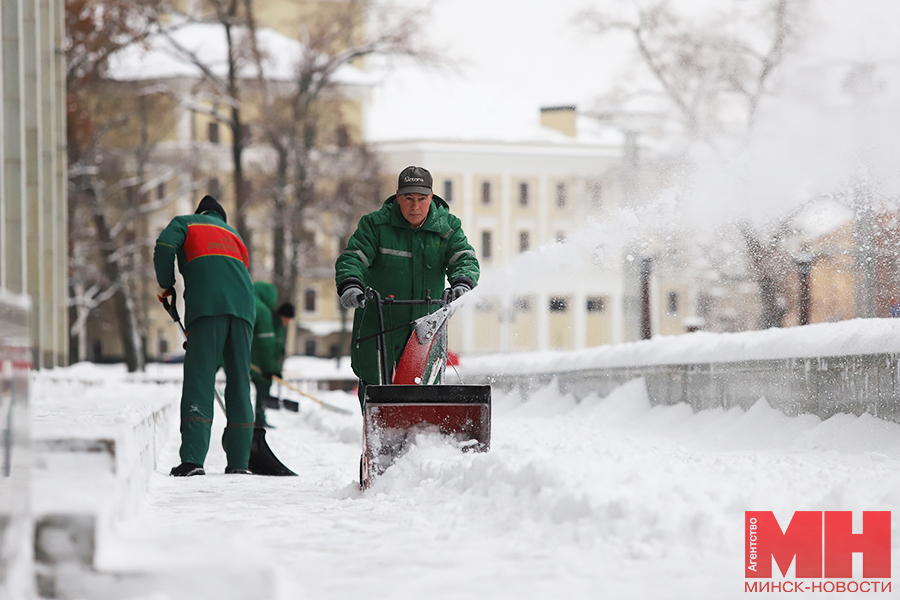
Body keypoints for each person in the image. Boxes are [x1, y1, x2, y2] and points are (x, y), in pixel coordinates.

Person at [334, 166, 480, 411]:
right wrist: (350, 284)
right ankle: (377, 436)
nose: (415, 207)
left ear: (431, 197)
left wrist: (462, 283)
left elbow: (464, 258)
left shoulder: (447, 227)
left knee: (424, 388)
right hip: (377, 321)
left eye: (422, 199)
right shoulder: (375, 226)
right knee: (375, 386)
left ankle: (420, 437)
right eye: (408, 199)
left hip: (426, 323)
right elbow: (353, 258)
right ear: (398, 196)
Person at [154, 195, 256, 476]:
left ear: (200, 213)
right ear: (221, 217)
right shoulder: (234, 236)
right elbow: (234, 273)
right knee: (239, 382)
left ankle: (192, 461)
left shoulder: (186, 223)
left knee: (200, 378)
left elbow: (163, 245)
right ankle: (239, 462)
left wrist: (166, 284)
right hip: (245, 309)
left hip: (208, 308)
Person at [249, 281, 294, 427]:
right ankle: (258, 420)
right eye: (286, 319)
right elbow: (265, 346)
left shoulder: (271, 320)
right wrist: (270, 369)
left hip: (260, 363)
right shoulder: (264, 314)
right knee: (263, 385)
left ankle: (257, 419)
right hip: (258, 364)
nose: (287, 322)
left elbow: (272, 346)